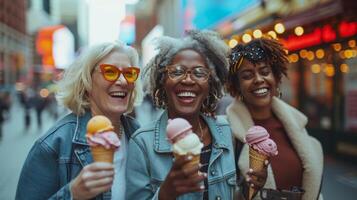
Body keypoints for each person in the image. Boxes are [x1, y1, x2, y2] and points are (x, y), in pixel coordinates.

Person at [16, 41, 143, 200]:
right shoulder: (53, 145)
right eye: (110, 72)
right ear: (87, 81)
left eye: (129, 73)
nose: (123, 81)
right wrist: (73, 194)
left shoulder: (140, 136)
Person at [126, 30, 236, 200]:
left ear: (210, 84)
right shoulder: (142, 143)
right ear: (162, 81)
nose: (188, 80)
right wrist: (165, 194)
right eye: (177, 72)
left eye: (199, 73)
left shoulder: (228, 131)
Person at [225, 37, 323, 200]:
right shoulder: (225, 133)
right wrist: (248, 190)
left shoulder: (296, 125)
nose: (258, 79)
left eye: (264, 72)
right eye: (247, 75)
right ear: (237, 87)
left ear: (276, 78)